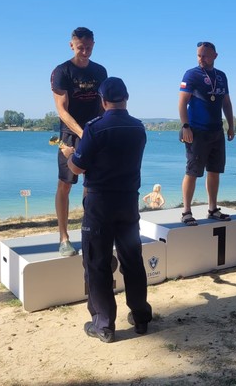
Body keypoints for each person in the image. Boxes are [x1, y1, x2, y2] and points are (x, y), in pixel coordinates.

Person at [61, 77, 152, 343]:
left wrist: (69, 153)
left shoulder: (95, 128)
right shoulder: (138, 128)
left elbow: (77, 167)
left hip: (100, 204)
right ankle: (141, 317)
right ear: (127, 97)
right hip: (128, 202)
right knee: (132, 260)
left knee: (97, 263)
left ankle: (104, 325)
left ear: (102, 101)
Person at [50, 27, 107, 256]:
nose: (85, 52)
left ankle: (88, 229)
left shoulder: (100, 71)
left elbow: (105, 105)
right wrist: (83, 134)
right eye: (81, 47)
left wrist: (104, 130)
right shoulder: (61, 71)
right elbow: (61, 110)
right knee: (65, 184)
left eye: (89, 47)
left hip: (95, 132)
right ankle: (64, 238)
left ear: (94, 44)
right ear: (71, 45)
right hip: (70, 135)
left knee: (90, 185)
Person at [179, 41, 235, 226]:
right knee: (192, 171)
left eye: (204, 55)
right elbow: (182, 103)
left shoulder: (221, 76)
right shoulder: (191, 74)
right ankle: (186, 211)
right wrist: (185, 126)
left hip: (216, 130)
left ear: (215, 56)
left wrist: (231, 125)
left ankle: (212, 208)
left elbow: (226, 102)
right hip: (197, 131)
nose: (201, 59)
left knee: (214, 171)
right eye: (198, 55)